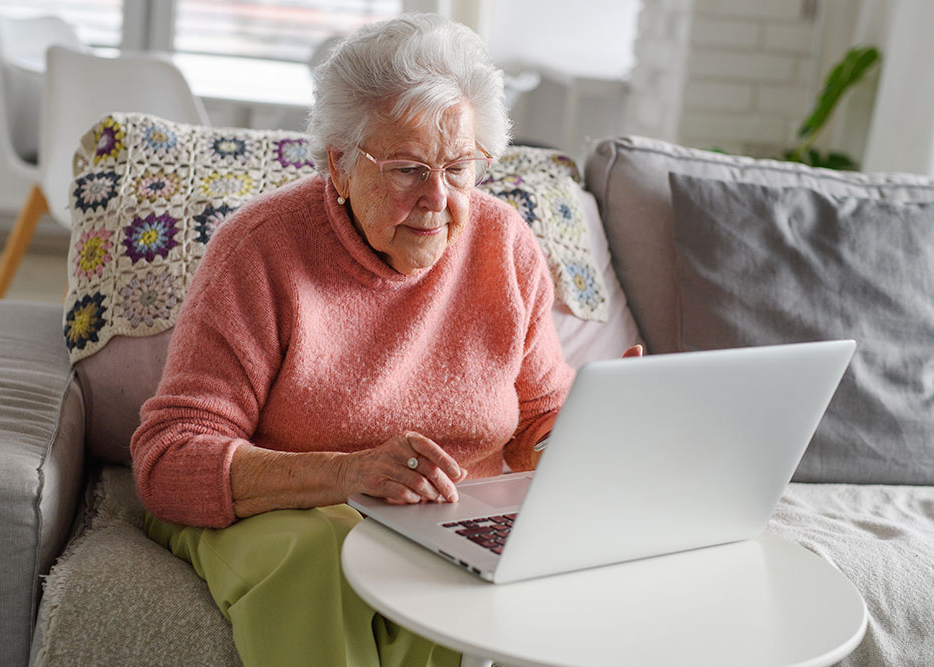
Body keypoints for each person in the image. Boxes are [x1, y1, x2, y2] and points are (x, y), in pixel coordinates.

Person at [133, 13, 626, 666]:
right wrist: (348, 472)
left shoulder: (504, 245)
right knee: (319, 558)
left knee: (447, 569)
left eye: (457, 167)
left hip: (439, 522)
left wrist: (605, 423)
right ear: (338, 165)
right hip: (282, 509)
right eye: (406, 169)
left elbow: (539, 419)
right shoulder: (259, 250)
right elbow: (169, 460)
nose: (436, 197)